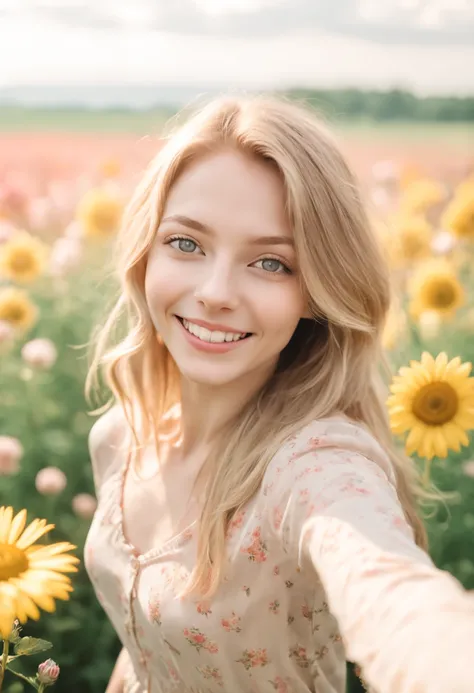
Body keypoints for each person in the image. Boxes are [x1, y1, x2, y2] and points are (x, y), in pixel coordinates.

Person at [84, 95, 474, 693]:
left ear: (317, 293)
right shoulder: (119, 438)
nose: (215, 292)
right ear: (145, 253)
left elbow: (389, 589)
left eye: (271, 263)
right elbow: (150, 650)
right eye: (186, 243)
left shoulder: (314, 465)